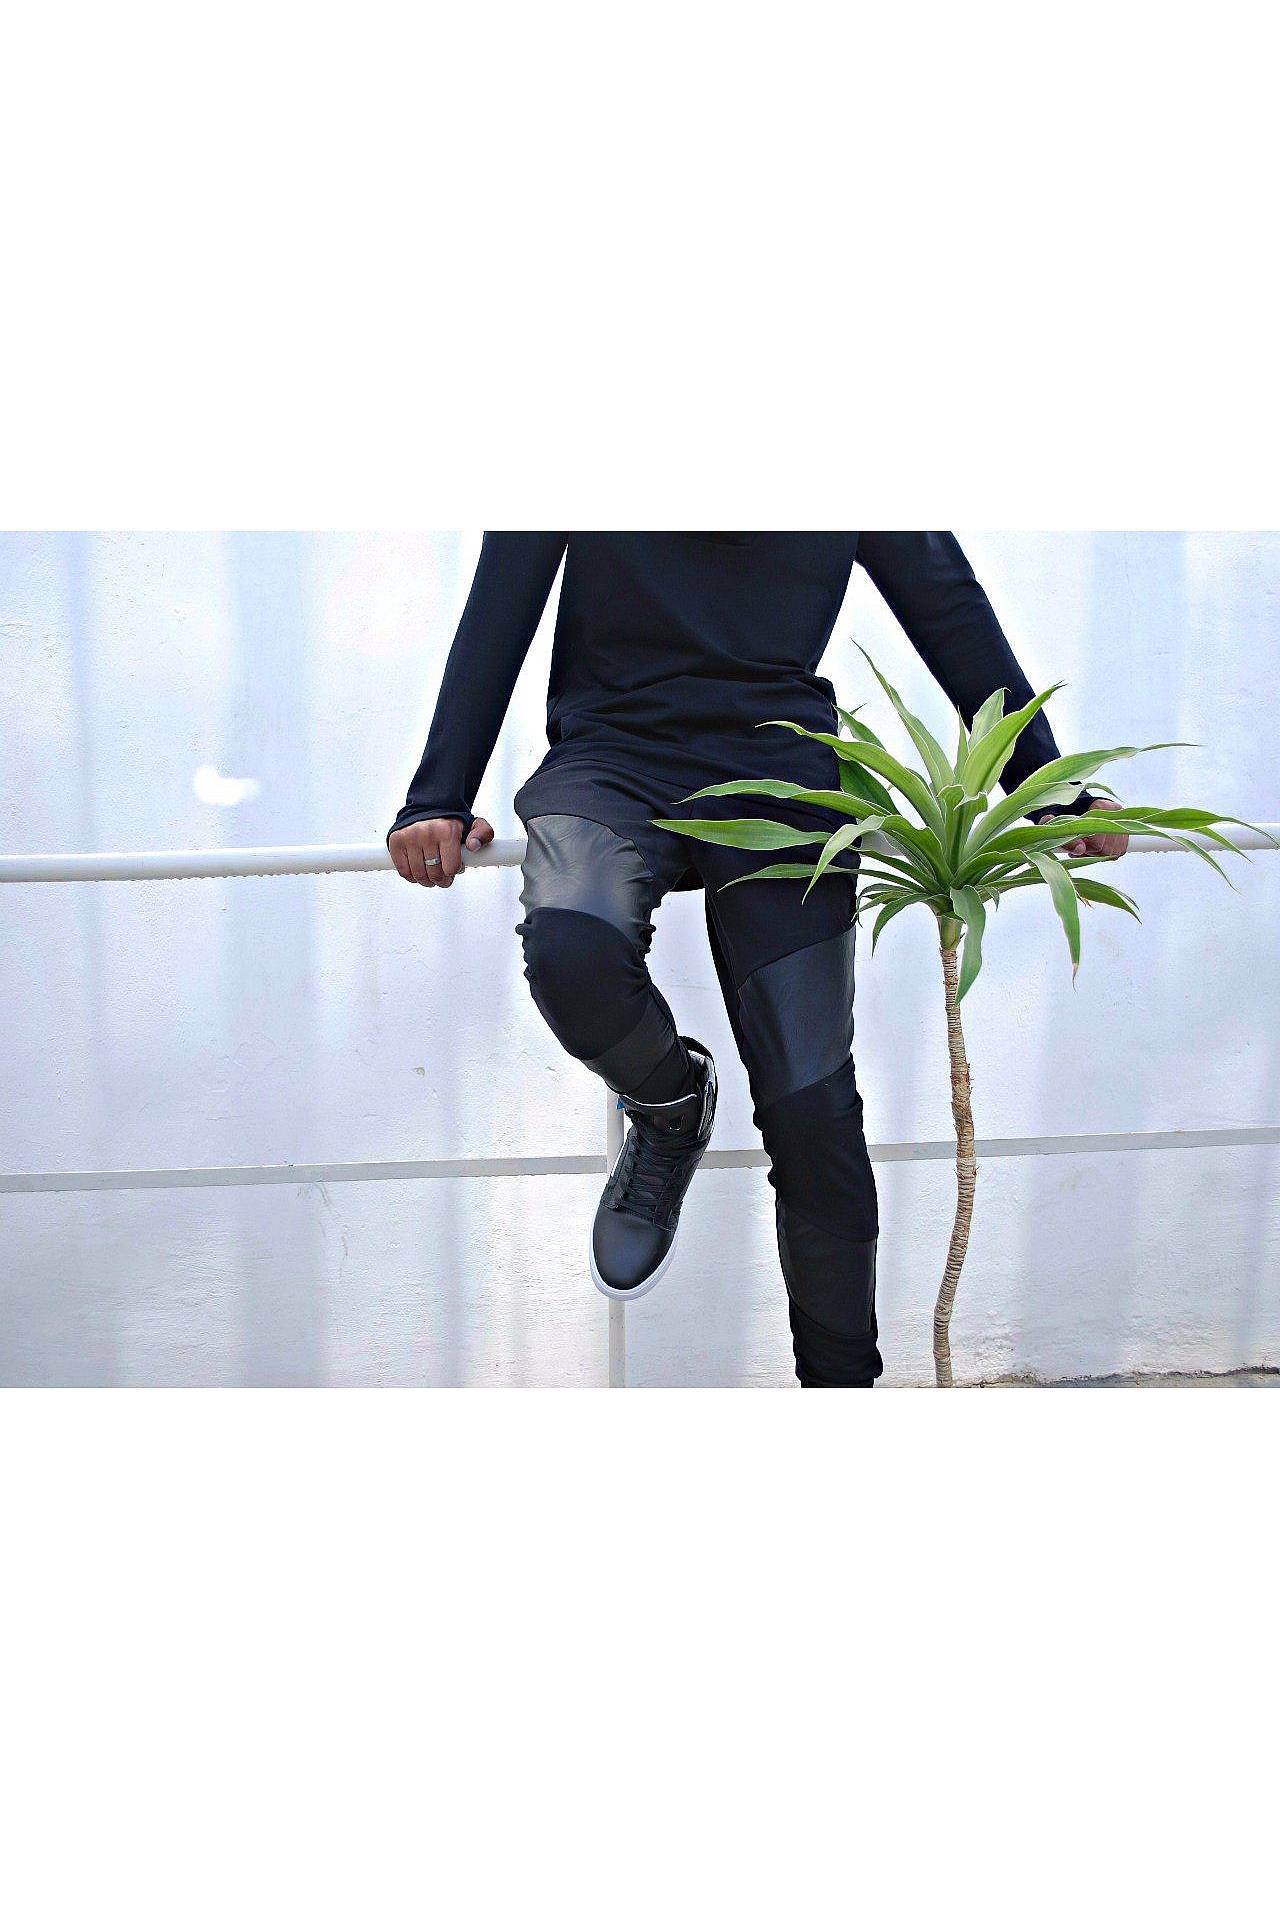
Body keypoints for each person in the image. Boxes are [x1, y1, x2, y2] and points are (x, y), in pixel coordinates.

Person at [388, 534, 1127, 1387]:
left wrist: (1051, 788)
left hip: (779, 768)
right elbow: (501, 602)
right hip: (612, 756)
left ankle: (841, 1389)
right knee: (570, 945)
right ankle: (670, 1107)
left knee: (813, 1110)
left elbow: (945, 601)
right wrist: (438, 795)